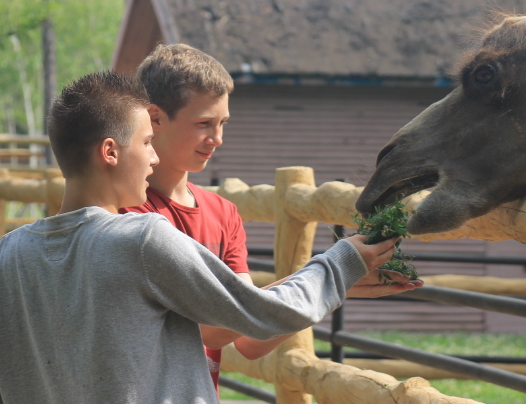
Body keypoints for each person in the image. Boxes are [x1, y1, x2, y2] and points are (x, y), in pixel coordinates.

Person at [0, 71, 399, 404]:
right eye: (147, 142)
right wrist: (341, 261)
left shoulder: (9, 253)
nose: (153, 158)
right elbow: (261, 314)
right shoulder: (141, 239)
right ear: (110, 152)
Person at [122, 44, 423, 388]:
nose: (217, 138)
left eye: (223, 123)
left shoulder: (223, 213)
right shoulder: (127, 216)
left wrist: (337, 285)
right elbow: (217, 328)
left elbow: (250, 335)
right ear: (155, 118)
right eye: (204, 123)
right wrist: (328, 277)